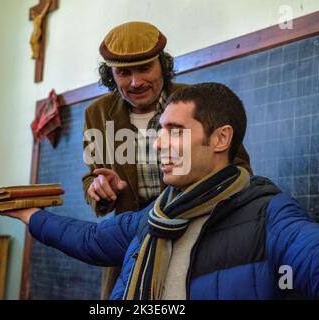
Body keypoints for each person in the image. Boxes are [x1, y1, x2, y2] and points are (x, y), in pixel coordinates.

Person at [2, 83, 319, 299]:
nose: (158, 144)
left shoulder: (269, 216)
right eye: (159, 131)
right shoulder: (155, 216)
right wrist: (30, 215)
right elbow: (91, 239)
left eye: (174, 131)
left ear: (220, 138)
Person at [81, 21, 252, 298]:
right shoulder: (96, 113)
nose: (136, 82)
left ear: (162, 64)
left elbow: (239, 168)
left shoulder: (198, 101)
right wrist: (100, 189)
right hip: (130, 239)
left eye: (145, 68)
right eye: (124, 73)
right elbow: (92, 174)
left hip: (196, 234)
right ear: (111, 75)